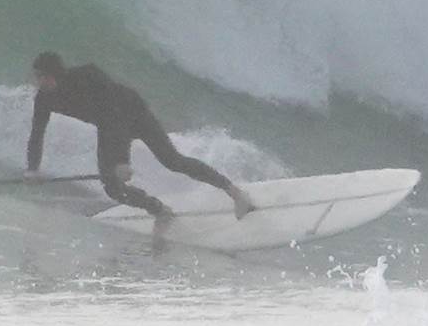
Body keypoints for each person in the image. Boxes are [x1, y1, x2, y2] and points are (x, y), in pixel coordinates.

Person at [26, 51, 256, 223]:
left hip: (133, 113)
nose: (36, 81)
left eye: (40, 76)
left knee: (172, 161)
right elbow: (37, 133)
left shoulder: (88, 74)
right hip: (108, 127)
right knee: (113, 187)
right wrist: (33, 169)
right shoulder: (44, 99)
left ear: (53, 75)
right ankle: (160, 211)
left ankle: (235, 193)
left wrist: (121, 161)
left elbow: (115, 113)